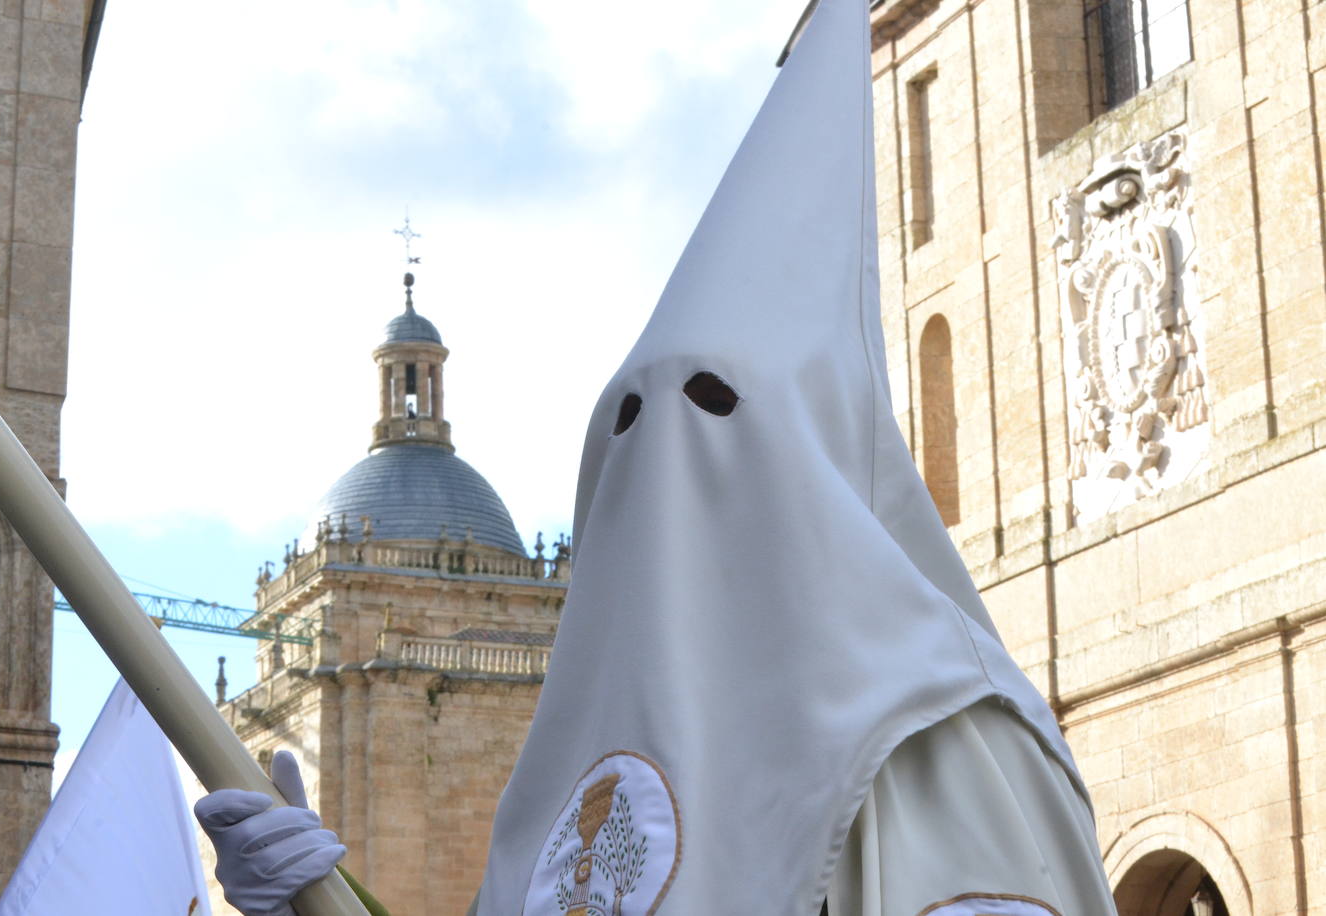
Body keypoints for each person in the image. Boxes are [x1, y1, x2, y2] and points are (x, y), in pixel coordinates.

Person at [196, 0, 1119, 912]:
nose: (666, 469)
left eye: (714, 405)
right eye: (627, 422)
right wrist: (315, 904)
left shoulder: (958, 752)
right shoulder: (572, 777)